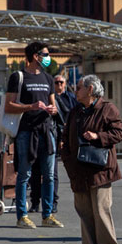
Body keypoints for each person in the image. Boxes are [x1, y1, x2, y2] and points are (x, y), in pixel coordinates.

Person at [61, 75, 122, 244]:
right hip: (79, 170)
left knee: (101, 209)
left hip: (100, 170)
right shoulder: (75, 111)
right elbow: (65, 137)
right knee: (84, 211)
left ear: (90, 89)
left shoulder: (107, 109)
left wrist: (98, 136)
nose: (75, 91)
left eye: (79, 87)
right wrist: (67, 158)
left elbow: (119, 133)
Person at [4, 41, 63, 229]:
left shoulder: (48, 78)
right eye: (45, 54)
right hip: (26, 131)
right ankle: (22, 216)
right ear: (35, 56)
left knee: (49, 175)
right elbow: (8, 105)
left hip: (47, 131)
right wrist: (31, 106)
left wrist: (53, 109)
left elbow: (53, 104)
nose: (48, 58)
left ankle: (47, 215)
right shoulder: (18, 77)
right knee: (24, 174)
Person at [29, 74, 77, 213]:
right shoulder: (47, 97)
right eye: (56, 82)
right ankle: (35, 202)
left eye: (61, 82)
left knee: (52, 173)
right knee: (36, 171)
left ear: (65, 83)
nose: (59, 85)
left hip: (61, 136)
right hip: (46, 134)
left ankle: (52, 202)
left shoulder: (71, 99)